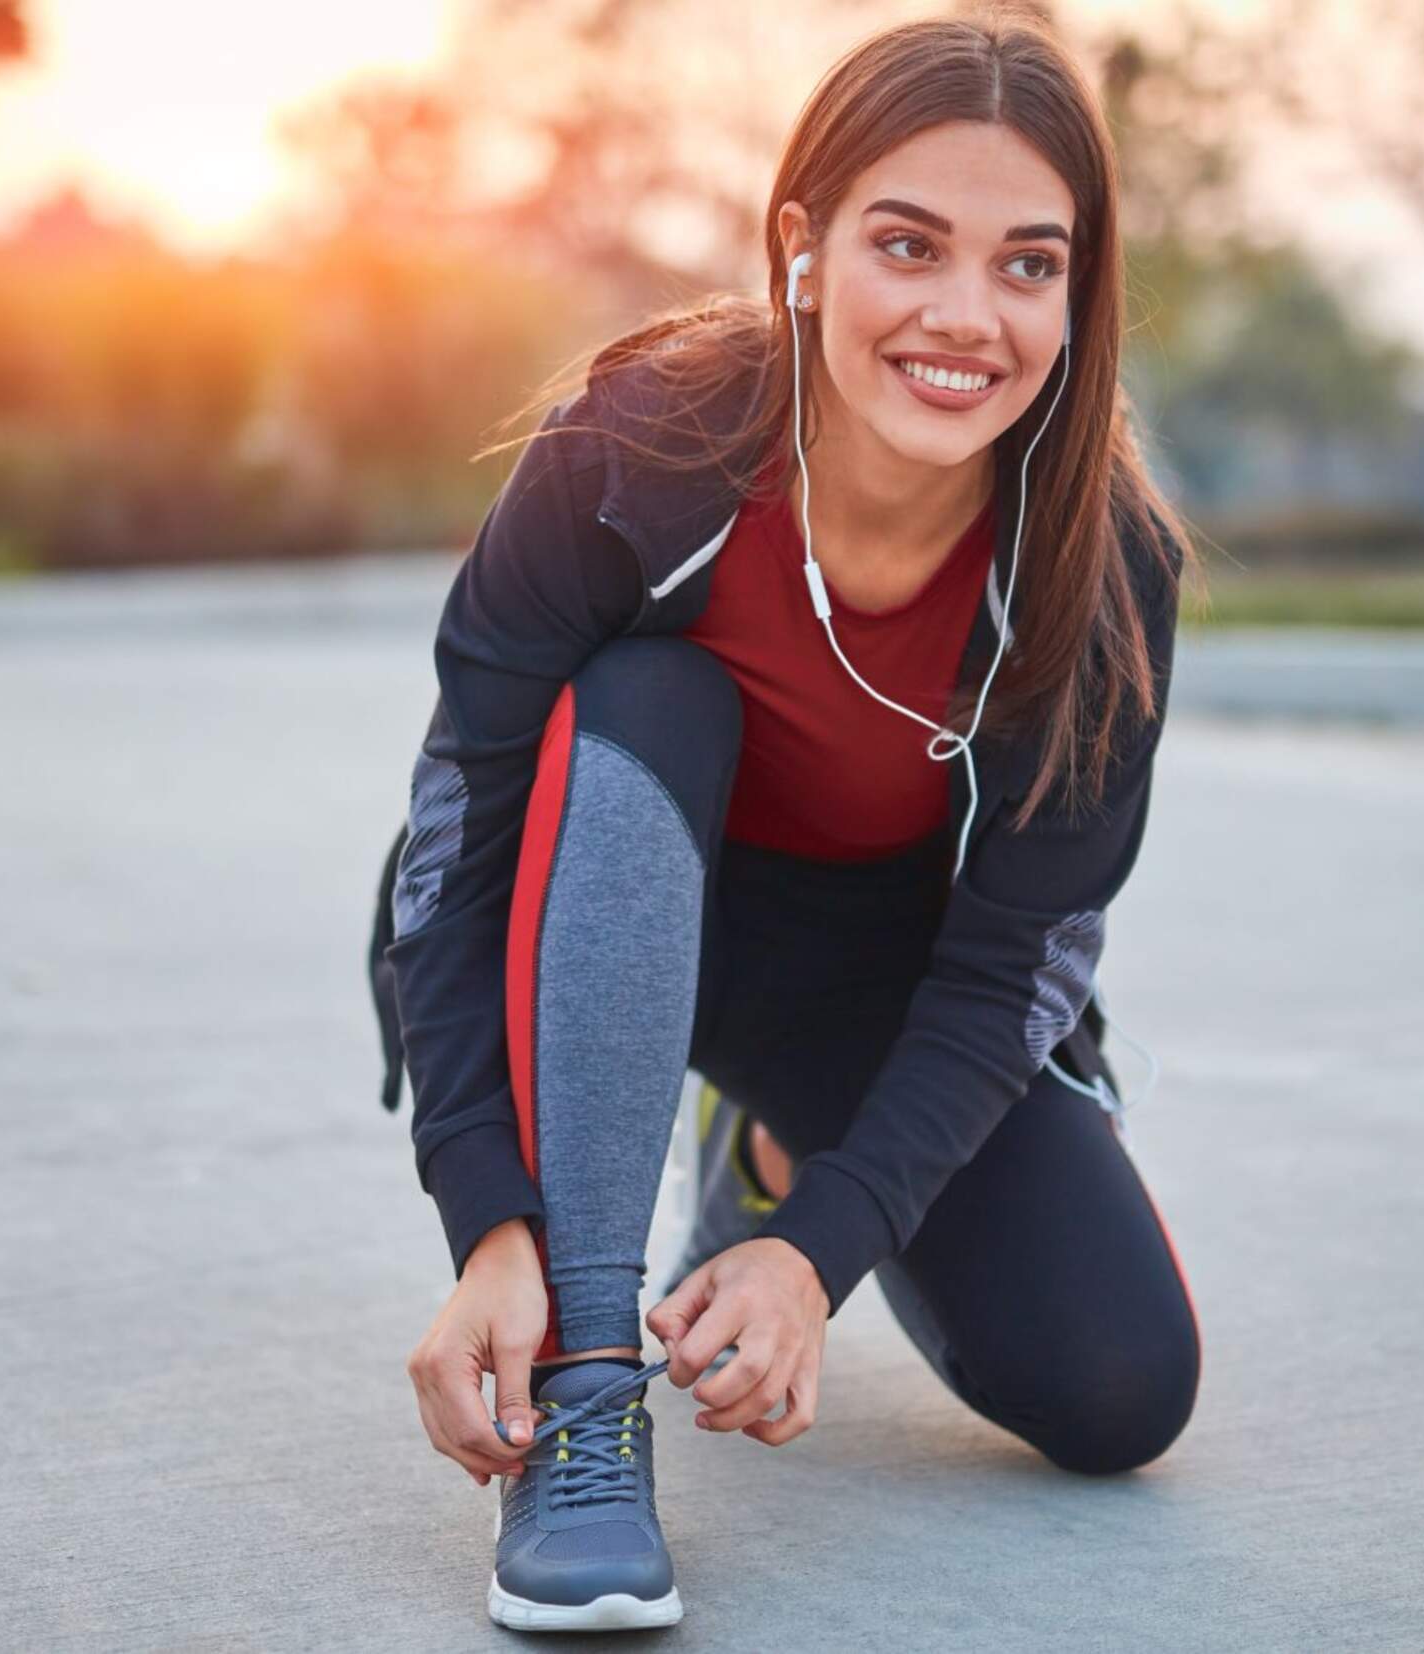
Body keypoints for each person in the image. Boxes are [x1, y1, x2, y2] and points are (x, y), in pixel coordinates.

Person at [364, 13, 1203, 1633]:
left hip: (859, 979)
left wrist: (816, 1246)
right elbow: (457, 847)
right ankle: (590, 1393)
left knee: (1121, 1386)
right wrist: (488, 1220)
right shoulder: (635, 457)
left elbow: (1018, 962)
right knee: (652, 698)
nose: (969, 316)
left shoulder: (1107, 575)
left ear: (1080, 293)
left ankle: (756, 1150)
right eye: (910, 245)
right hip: (600, 910)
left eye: (1031, 265)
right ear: (804, 247)